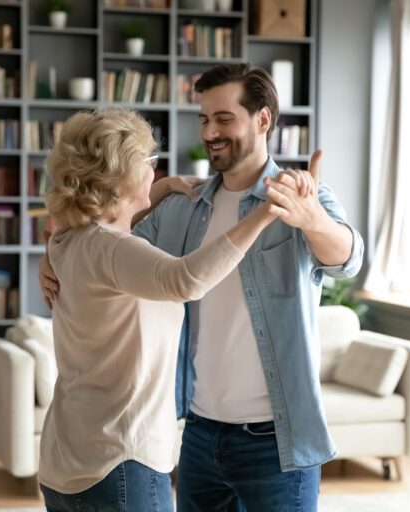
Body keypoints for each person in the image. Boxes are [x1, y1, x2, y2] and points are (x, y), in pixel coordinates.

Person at [39, 64, 365, 512]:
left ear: (263, 119)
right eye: (204, 119)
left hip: (275, 441)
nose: (211, 132)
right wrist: (52, 255)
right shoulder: (183, 207)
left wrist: (312, 219)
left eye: (224, 119)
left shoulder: (300, 196)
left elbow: (349, 258)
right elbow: (102, 224)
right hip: (198, 433)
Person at [36, 108, 282, 512]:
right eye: (149, 162)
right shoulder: (114, 249)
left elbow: (99, 228)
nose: (155, 169)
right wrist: (264, 213)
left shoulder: (67, 242)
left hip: (65, 461)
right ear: (123, 176)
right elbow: (186, 280)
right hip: (119, 461)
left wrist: (164, 187)